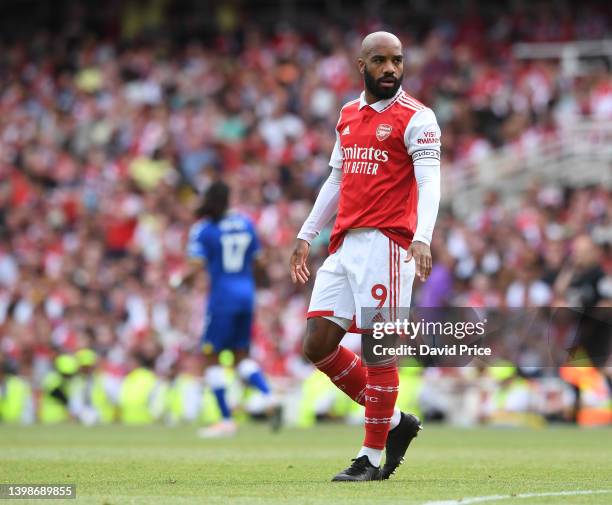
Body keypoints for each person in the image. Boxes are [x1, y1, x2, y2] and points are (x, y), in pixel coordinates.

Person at [290, 31, 441, 481]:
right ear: (362, 65)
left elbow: (430, 182)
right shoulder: (348, 114)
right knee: (316, 344)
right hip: (343, 242)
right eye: (380, 61)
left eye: (397, 60)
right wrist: (306, 233)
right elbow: (336, 179)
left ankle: (370, 458)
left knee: (379, 352)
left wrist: (422, 236)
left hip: (389, 244)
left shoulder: (419, 117)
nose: (391, 69)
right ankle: (395, 423)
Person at [184, 181, 279, 437]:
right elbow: (259, 261)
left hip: (222, 299)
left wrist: (179, 281)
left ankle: (226, 419)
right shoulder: (245, 223)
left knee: (211, 357)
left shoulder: (204, 229)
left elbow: (195, 266)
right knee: (240, 356)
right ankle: (269, 397)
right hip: (246, 296)